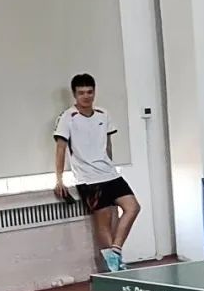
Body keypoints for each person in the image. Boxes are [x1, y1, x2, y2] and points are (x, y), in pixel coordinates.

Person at [52, 73, 141, 273]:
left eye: (89, 92)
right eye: (81, 93)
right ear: (75, 95)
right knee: (104, 222)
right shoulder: (67, 118)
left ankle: (115, 251)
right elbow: (60, 149)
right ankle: (115, 266)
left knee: (133, 207)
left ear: (94, 92)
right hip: (88, 179)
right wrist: (59, 180)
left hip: (110, 174)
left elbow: (107, 144)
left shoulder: (103, 114)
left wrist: (110, 164)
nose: (86, 96)